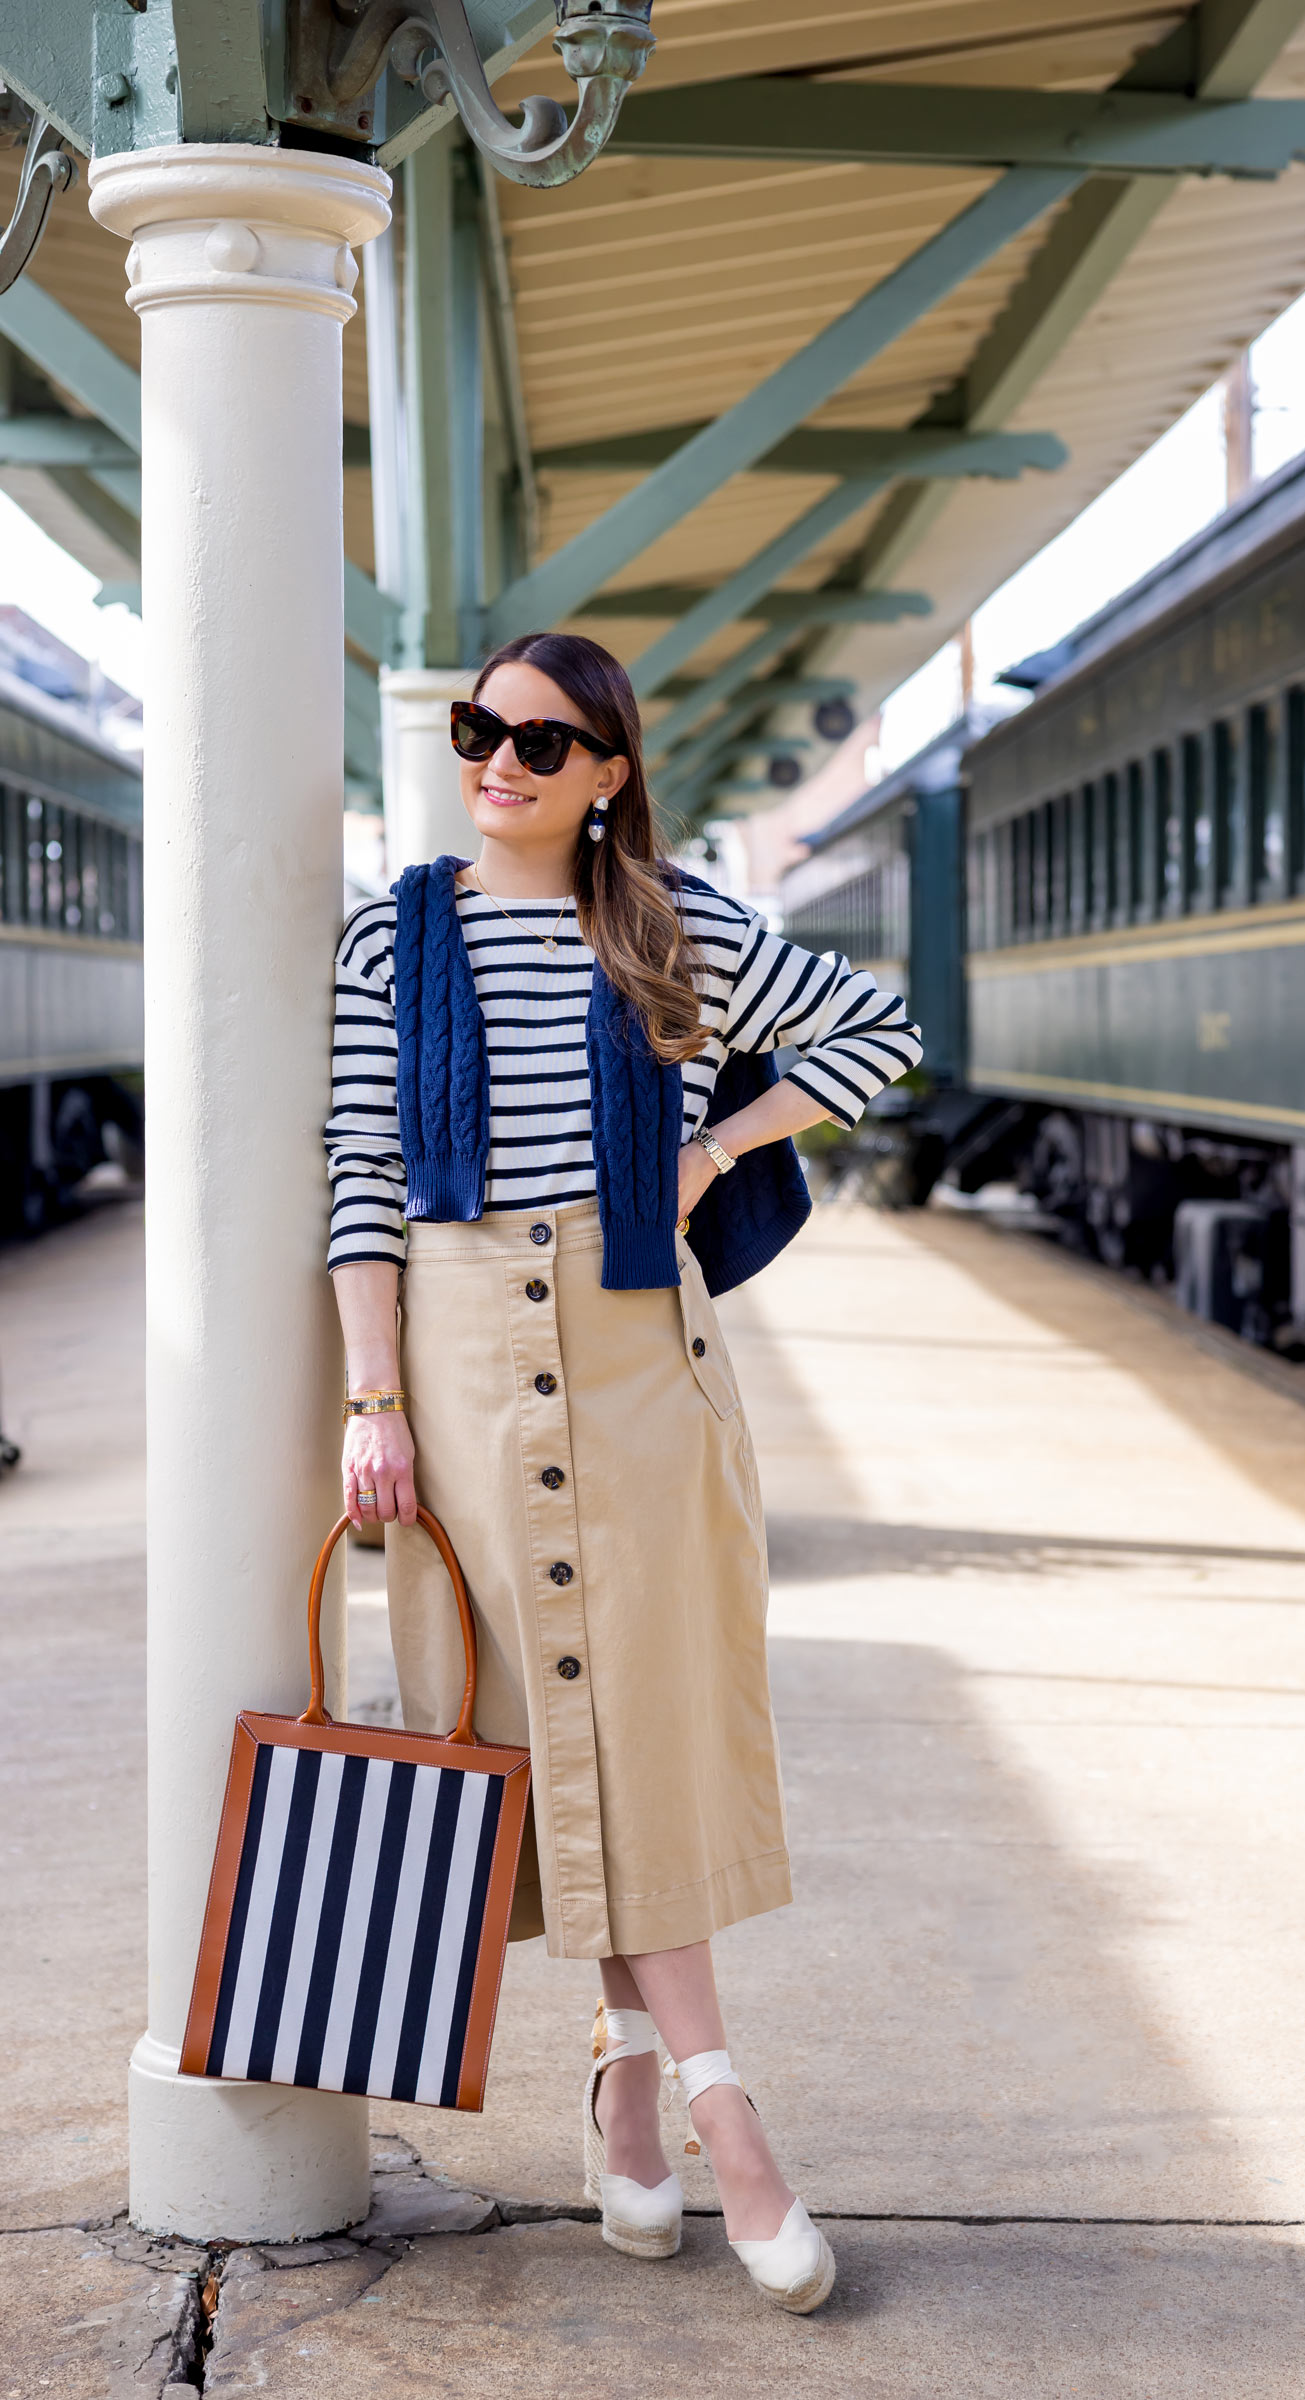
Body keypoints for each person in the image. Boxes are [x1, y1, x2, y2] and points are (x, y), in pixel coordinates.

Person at [324, 630, 921, 2313]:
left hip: (636, 1344)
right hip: (453, 1347)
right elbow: (365, 1165)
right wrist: (375, 1400)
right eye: (477, 729)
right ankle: (703, 2109)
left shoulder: (672, 921)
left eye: (540, 740)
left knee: (635, 1713)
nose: (497, 760)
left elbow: (877, 1030)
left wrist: (713, 1145)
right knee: (549, 1721)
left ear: (606, 776)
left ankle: (648, 2087)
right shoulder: (398, 928)